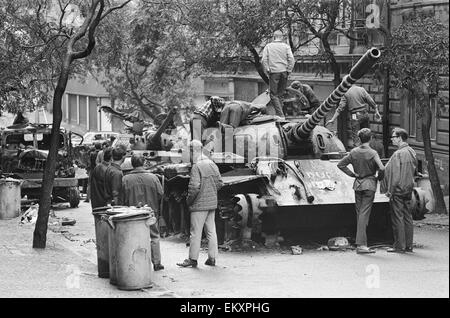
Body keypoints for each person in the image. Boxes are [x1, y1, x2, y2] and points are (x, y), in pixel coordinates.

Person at [337, 128, 385, 254]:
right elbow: (382, 168)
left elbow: (341, 164)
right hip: (369, 184)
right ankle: (362, 245)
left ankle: (361, 241)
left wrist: (353, 174)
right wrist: (378, 178)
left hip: (357, 184)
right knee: (364, 214)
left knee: (360, 214)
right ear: (370, 138)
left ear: (360, 138)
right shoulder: (373, 152)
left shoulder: (353, 152)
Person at [177, 140, 224, 268]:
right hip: (211, 204)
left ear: (193, 150)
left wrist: (189, 201)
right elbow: (220, 183)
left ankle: (192, 259)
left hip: (199, 205)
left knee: (195, 232)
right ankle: (212, 258)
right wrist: (211, 193)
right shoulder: (212, 164)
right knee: (211, 231)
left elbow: (194, 188)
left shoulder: (196, 166)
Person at [121, 154, 165, 271]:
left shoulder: (125, 179)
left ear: (132, 164)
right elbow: (160, 194)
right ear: (144, 163)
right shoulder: (153, 178)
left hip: (132, 214)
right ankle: (156, 262)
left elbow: (122, 198)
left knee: (134, 238)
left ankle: (136, 263)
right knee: (154, 236)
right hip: (150, 212)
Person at [381, 128, 418, 253]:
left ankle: (399, 246)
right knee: (407, 217)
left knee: (398, 218)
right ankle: (409, 245)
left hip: (398, 190)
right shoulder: (412, 151)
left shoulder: (398, 154)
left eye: (393, 137)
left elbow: (395, 176)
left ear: (400, 138)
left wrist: (390, 190)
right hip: (408, 188)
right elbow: (415, 171)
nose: (392, 139)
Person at [262, 30, 295, 118]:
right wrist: (289, 70)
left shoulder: (268, 46)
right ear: (282, 37)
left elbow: (264, 60)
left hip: (274, 72)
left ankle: (280, 115)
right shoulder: (286, 46)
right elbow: (291, 59)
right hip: (284, 72)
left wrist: (268, 69)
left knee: (273, 95)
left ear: (273, 37)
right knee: (280, 94)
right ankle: (280, 115)